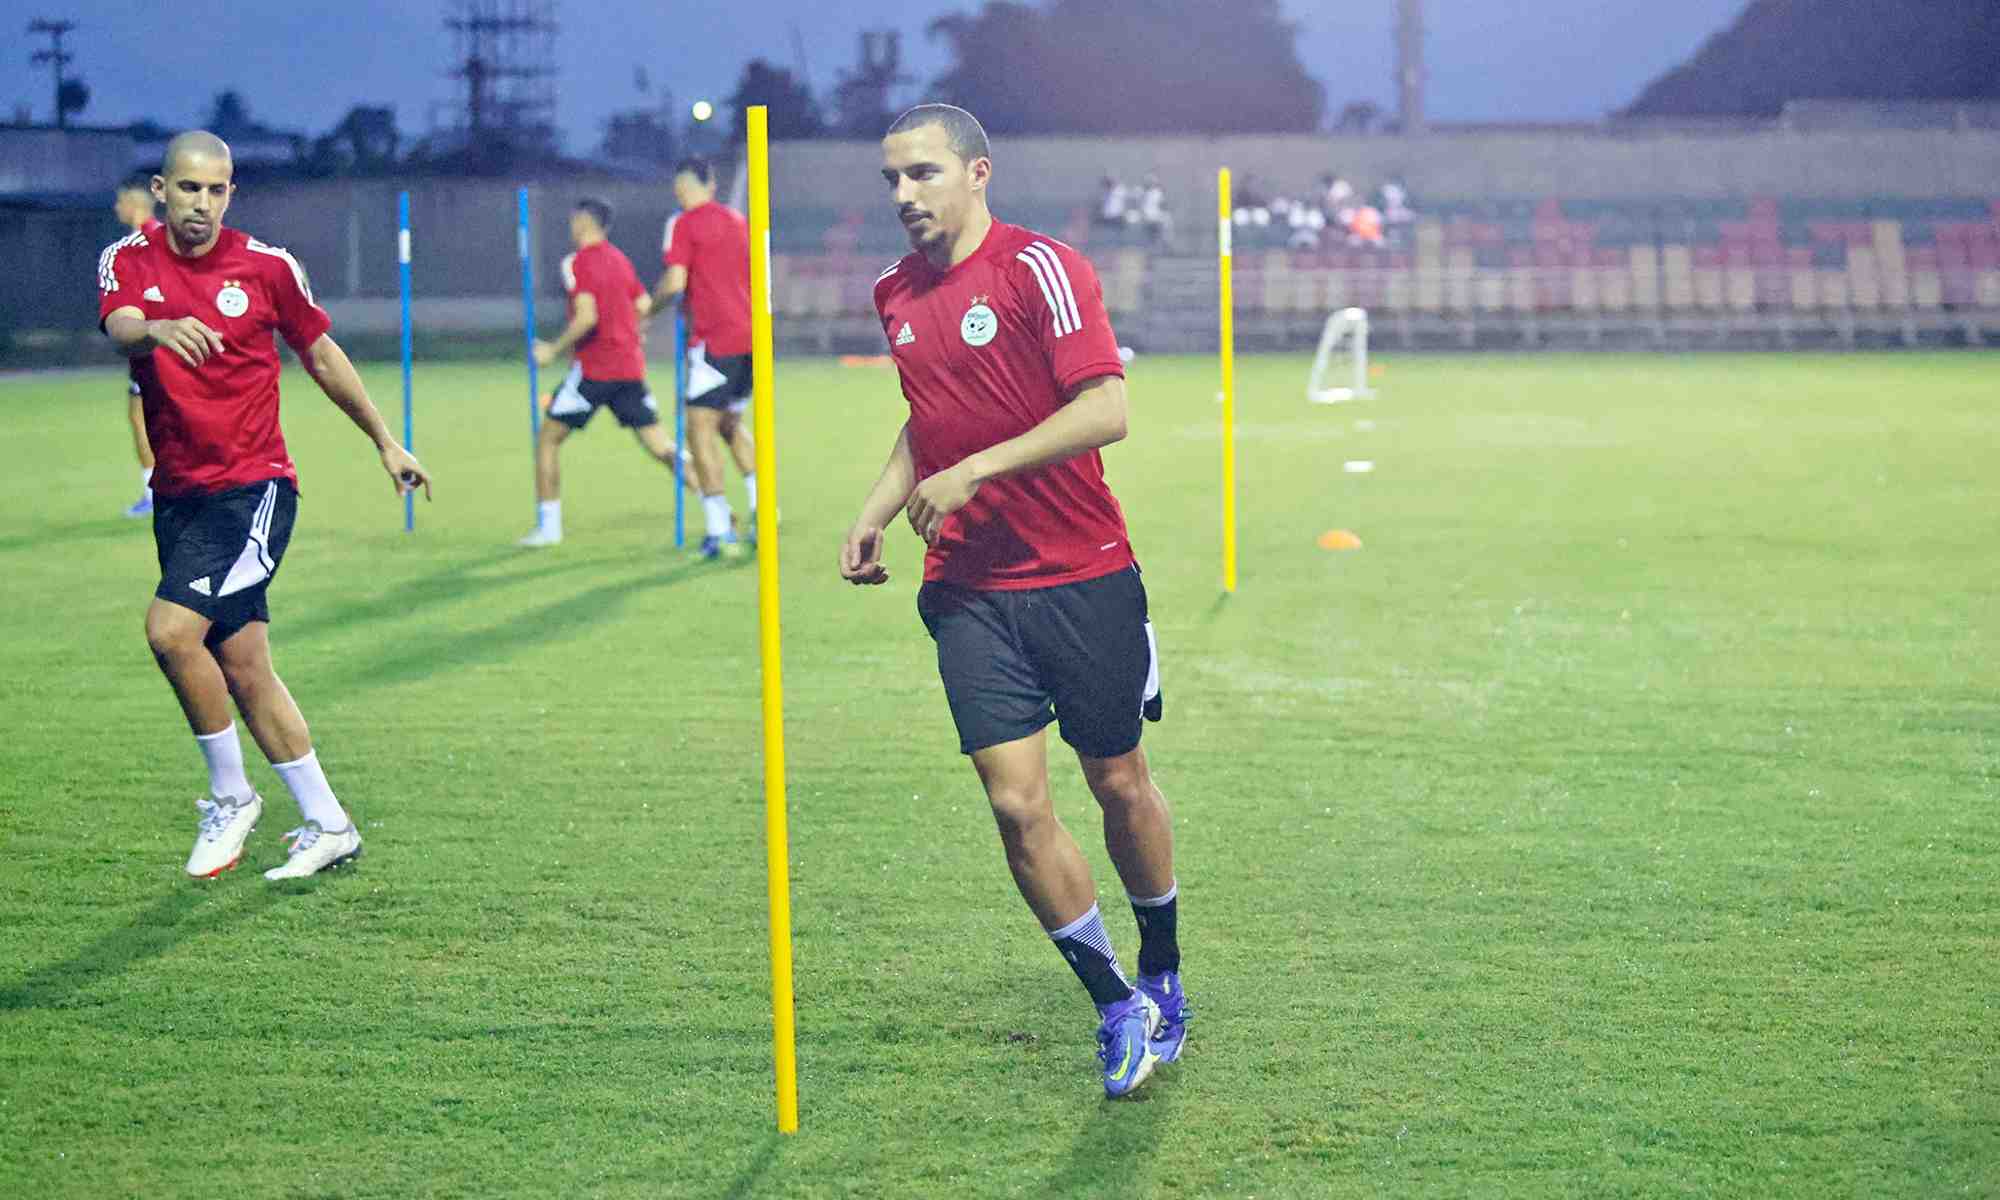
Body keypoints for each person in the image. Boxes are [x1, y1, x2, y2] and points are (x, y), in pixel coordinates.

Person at [842, 104, 1188, 1099]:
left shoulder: (1041, 268)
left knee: (1117, 782)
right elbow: (926, 416)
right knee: (1012, 802)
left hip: (1081, 571)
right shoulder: (891, 293)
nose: (904, 196)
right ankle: (1116, 1004)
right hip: (967, 589)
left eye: (922, 174)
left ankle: (1163, 966)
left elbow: (1105, 409)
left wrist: (974, 471)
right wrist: (876, 507)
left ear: (977, 172)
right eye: (891, 180)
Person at [95, 130, 431, 880]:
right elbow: (119, 327)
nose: (203, 204)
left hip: (254, 490)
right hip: (180, 495)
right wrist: (155, 328)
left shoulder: (267, 266)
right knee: (243, 665)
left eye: (217, 191)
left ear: (231, 195)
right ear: (161, 189)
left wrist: (386, 440)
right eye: (189, 188)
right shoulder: (128, 260)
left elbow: (320, 353)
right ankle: (330, 824)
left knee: (171, 633)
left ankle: (232, 796)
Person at [524, 197, 685, 548]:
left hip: (595, 371)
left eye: (573, 220)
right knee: (661, 447)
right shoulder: (620, 259)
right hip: (629, 367)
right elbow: (643, 305)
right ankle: (716, 504)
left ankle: (549, 529)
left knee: (548, 439)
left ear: (583, 222)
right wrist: (631, 330)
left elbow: (587, 317)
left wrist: (552, 349)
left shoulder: (576, 262)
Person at [650, 157, 757, 560]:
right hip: (751, 339)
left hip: (715, 341)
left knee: (699, 428)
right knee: (730, 424)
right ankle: (763, 508)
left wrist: (646, 309)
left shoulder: (683, 223)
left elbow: (675, 281)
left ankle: (719, 530)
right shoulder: (736, 221)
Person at [115, 178, 163, 517]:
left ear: (135, 206)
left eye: (121, 203)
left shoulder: (142, 242)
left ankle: (155, 493)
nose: (117, 209)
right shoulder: (160, 236)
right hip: (155, 342)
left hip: (152, 345)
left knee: (142, 418)